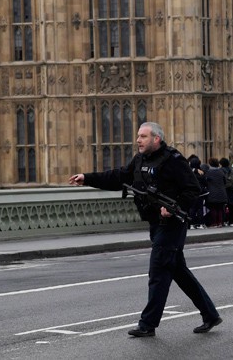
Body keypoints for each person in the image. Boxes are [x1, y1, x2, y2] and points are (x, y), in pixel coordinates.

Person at [68, 122, 222, 337]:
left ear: (156, 139)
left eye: (143, 136)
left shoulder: (174, 160)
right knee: (179, 272)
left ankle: (147, 324)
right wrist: (87, 178)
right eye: (138, 136)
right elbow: (119, 176)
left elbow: (193, 189)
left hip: (172, 225)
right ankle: (210, 315)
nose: (138, 140)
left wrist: (175, 207)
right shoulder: (140, 160)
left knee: (158, 272)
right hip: (154, 223)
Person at [204, 158, 228, 228]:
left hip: (212, 192)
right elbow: (225, 181)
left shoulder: (208, 172)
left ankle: (214, 223)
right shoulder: (221, 171)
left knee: (213, 208)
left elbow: (206, 182)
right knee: (220, 208)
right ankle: (220, 222)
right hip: (222, 192)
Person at [187, 155, 208, 229]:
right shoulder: (201, 172)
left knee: (192, 208)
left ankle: (192, 224)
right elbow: (205, 182)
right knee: (200, 208)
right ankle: (201, 223)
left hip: (192, 193)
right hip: (200, 193)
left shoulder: (190, 172)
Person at [219, 157, 233, 226]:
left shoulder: (221, 170)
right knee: (231, 206)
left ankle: (224, 221)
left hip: (225, 189)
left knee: (223, 206)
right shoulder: (232, 169)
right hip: (232, 189)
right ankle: (231, 221)